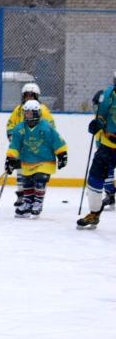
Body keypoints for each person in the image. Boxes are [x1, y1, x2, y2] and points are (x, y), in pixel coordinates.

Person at [4, 100, 67, 218]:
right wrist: (10, 159)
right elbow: (14, 145)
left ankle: (38, 202)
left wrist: (62, 154)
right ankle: (28, 203)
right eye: (26, 113)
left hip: (45, 160)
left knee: (40, 179)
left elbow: (57, 141)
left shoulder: (46, 127)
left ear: (37, 113)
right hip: (28, 161)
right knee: (27, 182)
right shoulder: (19, 129)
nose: (27, 115)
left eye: (30, 113)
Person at [77, 74, 116, 229]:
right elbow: (102, 114)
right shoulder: (109, 94)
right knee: (95, 177)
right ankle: (94, 213)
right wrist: (97, 124)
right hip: (108, 145)